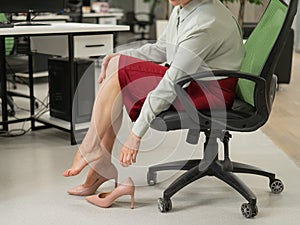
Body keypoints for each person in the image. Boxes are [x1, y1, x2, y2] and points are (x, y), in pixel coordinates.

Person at [63, 0, 245, 202]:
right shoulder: (182, 8)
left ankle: (92, 151)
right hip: (191, 80)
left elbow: (173, 81)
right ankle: (101, 161)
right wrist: (121, 55)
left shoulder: (206, 22)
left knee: (119, 73)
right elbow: (162, 49)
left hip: (208, 92)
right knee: (117, 64)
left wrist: (136, 134)